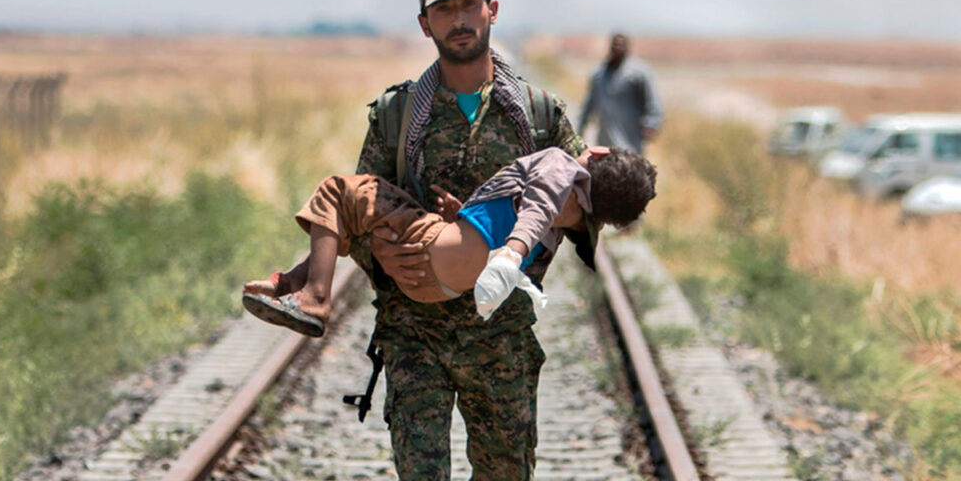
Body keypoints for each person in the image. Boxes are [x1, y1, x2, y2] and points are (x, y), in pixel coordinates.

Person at [338, 0, 589, 481]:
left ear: (492, 10)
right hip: (414, 334)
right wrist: (379, 258)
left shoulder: (537, 115)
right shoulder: (396, 115)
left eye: (468, 4)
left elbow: (578, 208)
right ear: (425, 25)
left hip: (500, 337)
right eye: (442, 9)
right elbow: (359, 207)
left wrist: (520, 249)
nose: (458, 18)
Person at [242, 146, 656, 337]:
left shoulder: (560, 166)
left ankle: (313, 295)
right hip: (440, 287)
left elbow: (537, 206)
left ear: (599, 155)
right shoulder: (572, 230)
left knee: (338, 192)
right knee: (358, 214)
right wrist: (466, 218)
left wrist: (510, 252)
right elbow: (514, 223)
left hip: (425, 255)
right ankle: (289, 285)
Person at [577, 33, 664, 154]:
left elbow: (652, 101)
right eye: (615, 45)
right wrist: (580, 128)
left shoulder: (638, 73)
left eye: (621, 45)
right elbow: (589, 103)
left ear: (628, 47)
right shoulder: (600, 75)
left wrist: (652, 124)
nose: (618, 47)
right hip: (605, 139)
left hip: (630, 140)